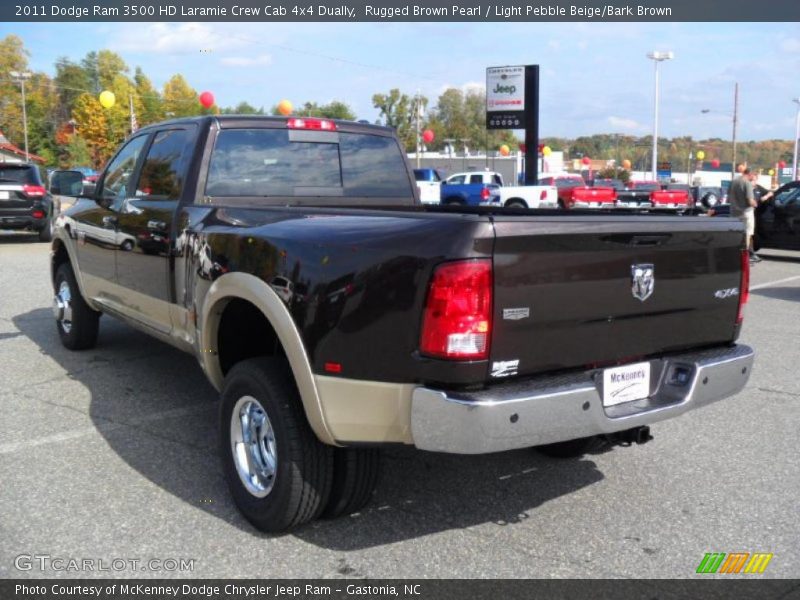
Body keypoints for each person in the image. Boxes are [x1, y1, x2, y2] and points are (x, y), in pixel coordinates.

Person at [729, 166, 760, 263]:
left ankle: (734, 255)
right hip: (746, 212)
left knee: (736, 234)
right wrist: (756, 204)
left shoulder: (734, 181)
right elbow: (750, 201)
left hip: (734, 212)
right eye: (754, 176)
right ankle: (744, 257)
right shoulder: (747, 183)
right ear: (750, 174)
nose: (754, 179)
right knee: (747, 234)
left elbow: (729, 195)